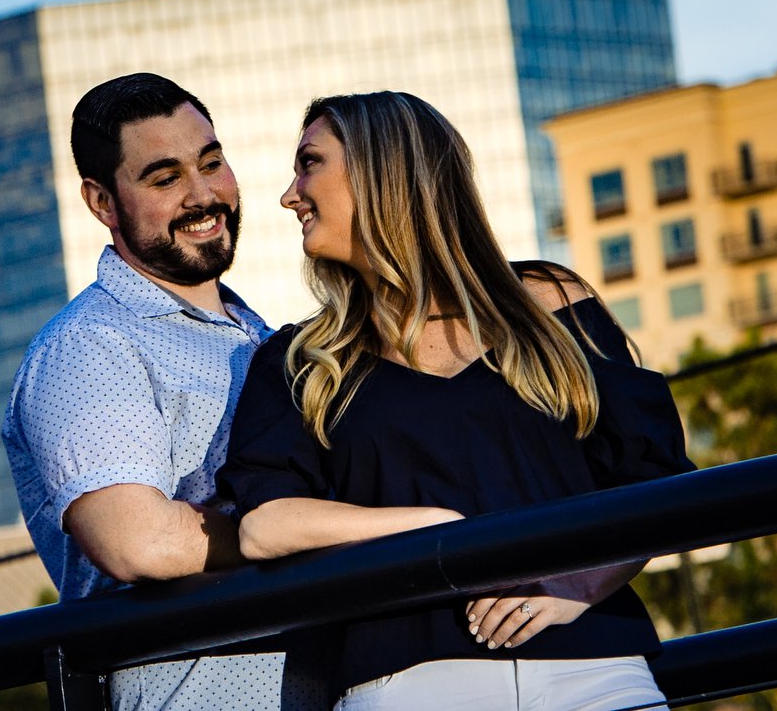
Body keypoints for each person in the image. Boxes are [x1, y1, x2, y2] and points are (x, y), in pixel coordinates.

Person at [220, 91, 693, 711]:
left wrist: (575, 584)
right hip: (409, 682)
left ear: (382, 170)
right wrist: (438, 530)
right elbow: (264, 527)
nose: (290, 194)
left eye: (310, 163)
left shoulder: (551, 304)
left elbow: (653, 482)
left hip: (597, 668)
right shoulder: (301, 360)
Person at [1, 73, 326, 711]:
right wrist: (317, 529)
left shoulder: (255, 336)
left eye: (212, 162)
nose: (203, 195)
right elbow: (139, 541)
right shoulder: (90, 345)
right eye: (164, 177)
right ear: (102, 203)